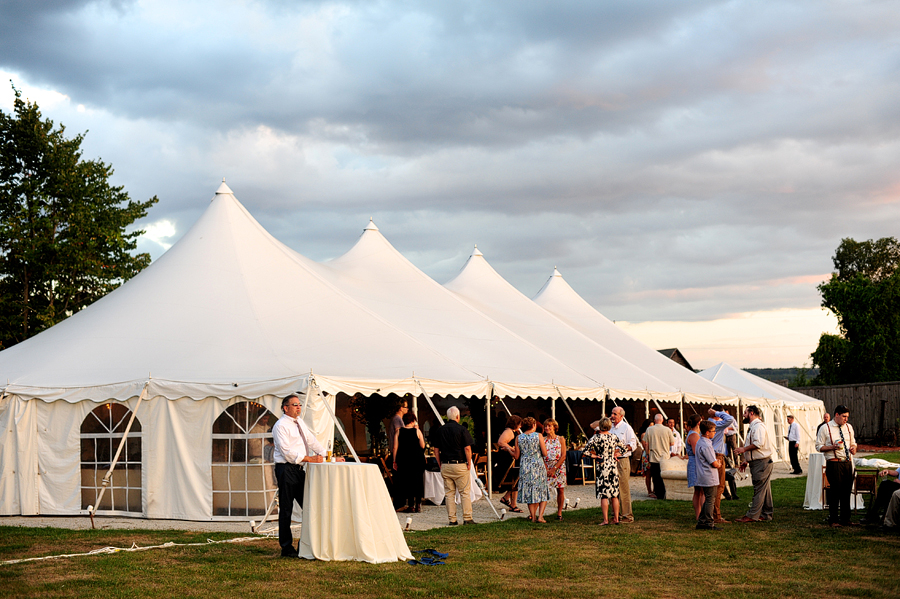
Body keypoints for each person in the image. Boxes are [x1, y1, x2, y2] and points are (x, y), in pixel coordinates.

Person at [272, 394, 327, 558]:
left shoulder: (300, 423)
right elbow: (287, 452)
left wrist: (327, 456)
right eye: (294, 405)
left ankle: (308, 543)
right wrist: (311, 458)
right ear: (285, 408)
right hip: (286, 469)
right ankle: (286, 548)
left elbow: (312, 441)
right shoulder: (280, 426)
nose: (298, 407)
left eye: (300, 404)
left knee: (309, 505)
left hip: (299, 470)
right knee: (286, 508)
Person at [430, 406, 476, 526]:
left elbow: (436, 449)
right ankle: (467, 518)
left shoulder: (440, 430)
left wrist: (440, 463)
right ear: (457, 416)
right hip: (459, 464)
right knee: (464, 492)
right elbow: (467, 448)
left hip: (446, 464)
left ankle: (452, 519)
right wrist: (469, 462)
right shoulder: (462, 430)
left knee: (449, 493)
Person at [815, 405, 857, 527]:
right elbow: (818, 446)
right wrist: (832, 447)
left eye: (847, 417)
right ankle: (833, 519)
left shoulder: (849, 427)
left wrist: (854, 448)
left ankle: (845, 518)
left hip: (847, 463)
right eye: (844, 416)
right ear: (837, 415)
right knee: (835, 491)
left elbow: (853, 443)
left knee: (846, 491)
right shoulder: (825, 428)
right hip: (834, 463)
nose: (846, 419)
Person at [585, 417, 628, 525]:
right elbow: (624, 448)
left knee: (604, 494)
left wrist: (595, 456)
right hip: (613, 466)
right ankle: (616, 518)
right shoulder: (613, 437)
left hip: (602, 466)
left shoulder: (596, 437)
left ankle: (605, 520)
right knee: (614, 494)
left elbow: (586, 451)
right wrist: (616, 454)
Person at [734, 405, 774, 523]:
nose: (743, 415)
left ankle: (752, 515)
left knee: (759, 489)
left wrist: (743, 450)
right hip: (758, 462)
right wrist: (746, 460)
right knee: (764, 489)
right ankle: (766, 514)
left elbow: (758, 444)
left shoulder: (758, 427)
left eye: (745, 412)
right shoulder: (754, 427)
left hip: (761, 463)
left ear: (751, 413)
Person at [514, 416, 550, 523]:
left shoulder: (518, 438)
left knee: (529, 490)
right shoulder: (538, 435)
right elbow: (544, 453)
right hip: (537, 464)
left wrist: (508, 449)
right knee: (542, 490)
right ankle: (540, 516)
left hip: (525, 466)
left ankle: (533, 516)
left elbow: (516, 456)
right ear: (534, 425)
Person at [609, 407, 638, 523]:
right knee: (612, 487)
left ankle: (627, 515)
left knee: (623, 489)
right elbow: (594, 425)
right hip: (611, 460)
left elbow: (633, 444)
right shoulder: (609, 427)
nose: (612, 416)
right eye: (612, 413)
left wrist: (621, 451)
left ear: (621, 416)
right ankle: (615, 514)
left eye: (615, 414)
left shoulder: (626, 427)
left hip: (622, 460)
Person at [392, 411, 426, 513]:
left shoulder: (398, 432)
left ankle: (410, 505)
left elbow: (395, 447)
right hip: (417, 460)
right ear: (413, 420)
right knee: (418, 481)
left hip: (404, 460)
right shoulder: (417, 431)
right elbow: (423, 446)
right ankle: (418, 504)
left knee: (408, 482)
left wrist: (394, 461)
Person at [707, 407, 735, 524]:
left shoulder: (710, 423)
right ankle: (716, 516)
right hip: (717, 456)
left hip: (716, 455)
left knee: (717, 487)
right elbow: (730, 419)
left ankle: (712, 514)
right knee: (719, 487)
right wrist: (717, 413)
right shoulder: (715, 424)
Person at [695, 420, 722, 530]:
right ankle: (709, 523)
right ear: (707, 432)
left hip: (703, 474)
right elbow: (713, 462)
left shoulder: (700, 442)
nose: (714, 432)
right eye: (713, 431)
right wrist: (718, 463)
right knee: (710, 500)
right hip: (709, 476)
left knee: (708, 499)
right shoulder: (706, 445)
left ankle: (701, 522)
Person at [495, 415, 523, 514]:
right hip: (507, 460)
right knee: (514, 480)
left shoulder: (511, 431)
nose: (520, 426)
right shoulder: (509, 432)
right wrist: (512, 448)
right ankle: (513, 505)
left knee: (515, 481)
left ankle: (506, 498)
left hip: (510, 459)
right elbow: (501, 442)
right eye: (519, 424)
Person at [542, 418, 567, 521]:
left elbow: (563, 455)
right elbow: (540, 455)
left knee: (560, 489)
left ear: (554, 427)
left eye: (549, 426)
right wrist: (547, 468)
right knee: (544, 490)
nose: (547, 428)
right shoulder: (543, 440)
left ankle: (559, 512)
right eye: (546, 426)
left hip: (559, 467)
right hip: (546, 466)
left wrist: (554, 468)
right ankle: (540, 513)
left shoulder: (560, 439)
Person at [644, 414, 673, 500]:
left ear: (654, 420)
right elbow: (672, 443)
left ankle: (658, 493)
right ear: (662, 420)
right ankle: (664, 493)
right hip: (665, 456)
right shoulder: (667, 430)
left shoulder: (649, 429)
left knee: (655, 476)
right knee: (663, 475)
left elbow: (646, 443)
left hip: (654, 456)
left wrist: (647, 453)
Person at [683, 414, 704, 521]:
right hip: (696, 464)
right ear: (699, 423)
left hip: (694, 463)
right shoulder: (694, 435)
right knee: (701, 490)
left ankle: (700, 515)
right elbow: (697, 452)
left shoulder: (693, 434)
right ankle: (700, 515)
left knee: (698, 491)